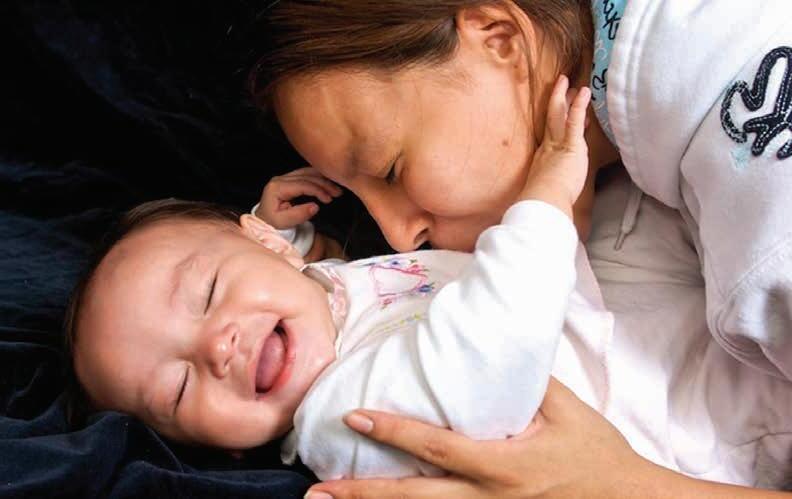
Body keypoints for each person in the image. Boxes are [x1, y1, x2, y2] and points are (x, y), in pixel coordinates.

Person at [244, 0, 792, 496]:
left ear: (500, 40)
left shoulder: (771, 236)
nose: (397, 236)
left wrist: (617, 484)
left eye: (391, 170)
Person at [65, 82, 616, 478]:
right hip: (624, 413)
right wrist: (546, 200)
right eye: (179, 389)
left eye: (209, 292)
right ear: (222, 450)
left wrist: (279, 230)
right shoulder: (343, 424)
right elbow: (487, 361)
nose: (217, 348)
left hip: (596, 316)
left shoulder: (316, 309)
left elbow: (318, 283)